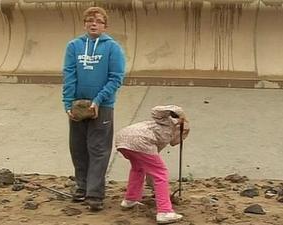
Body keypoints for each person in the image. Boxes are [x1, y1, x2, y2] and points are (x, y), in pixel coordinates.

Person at [62, 6, 126, 211]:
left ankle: (95, 194)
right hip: (78, 106)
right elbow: (69, 74)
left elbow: (116, 78)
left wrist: (98, 100)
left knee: (98, 149)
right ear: (84, 24)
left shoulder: (112, 48)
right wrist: (68, 103)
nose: (93, 24)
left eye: (98, 21)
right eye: (90, 20)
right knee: (78, 148)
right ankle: (81, 187)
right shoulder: (74, 46)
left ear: (105, 25)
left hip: (102, 106)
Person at [115, 105, 190, 224]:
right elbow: (156, 110)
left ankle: (130, 199)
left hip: (122, 140)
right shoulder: (167, 121)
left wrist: (153, 186)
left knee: (138, 168)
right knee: (161, 173)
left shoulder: (164, 134)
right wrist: (180, 113)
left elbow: (149, 168)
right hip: (139, 140)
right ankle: (164, 211)